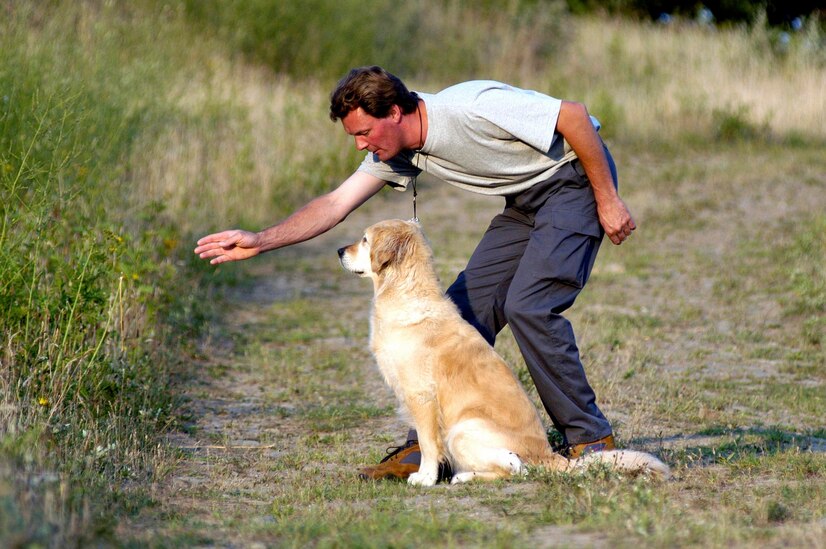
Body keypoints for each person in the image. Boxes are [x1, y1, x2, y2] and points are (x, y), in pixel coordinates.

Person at [194, 66, 636, 482]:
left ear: (394, 112)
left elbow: (574, 117)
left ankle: (590, 439)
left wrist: (608, 198)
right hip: (523, 202)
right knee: (459, 312)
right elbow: (335, 204)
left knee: (529, 306)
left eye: (364, 133)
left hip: (574, 180)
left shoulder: (468, 106)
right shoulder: (399, 150)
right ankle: (428, 447)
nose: (360, 145)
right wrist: (261, 240)